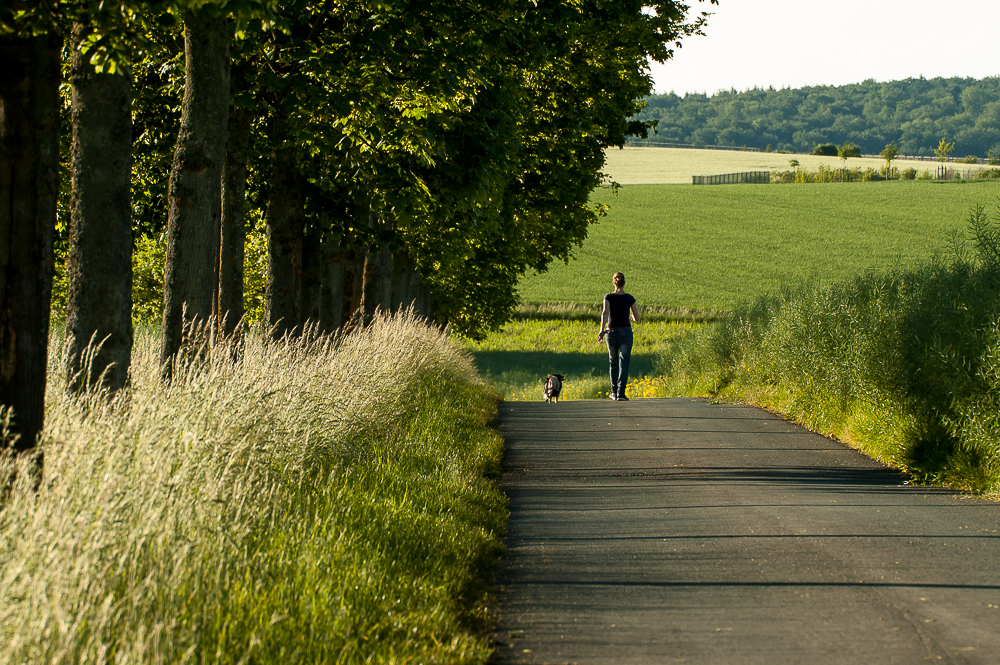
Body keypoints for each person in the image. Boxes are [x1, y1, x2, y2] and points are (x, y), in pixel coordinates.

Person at [597, 272, 639, 401]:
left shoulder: (608, 297)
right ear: (624, 283)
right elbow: (636, 317)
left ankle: (613, 392)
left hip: (611, 333)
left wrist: (601, 330)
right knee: (624, 362)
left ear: (613, 283)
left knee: (613, 362)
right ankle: (621, 393)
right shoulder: (629, 298)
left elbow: (605, 313)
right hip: (625, 332)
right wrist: (631, 318)